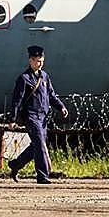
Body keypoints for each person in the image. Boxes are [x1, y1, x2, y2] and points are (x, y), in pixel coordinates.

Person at [7, 45, 68, 184]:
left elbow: (51, 95)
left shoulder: (45, 76)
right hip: (31, 116)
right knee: (40, 144)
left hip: (43, 117)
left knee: (36, 145)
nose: (38, 63)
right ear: (30, 60)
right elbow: (17, 100)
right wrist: (12, 119)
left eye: (40, 60)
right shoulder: (24, 78)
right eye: (35, 60)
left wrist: (61, 107)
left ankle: (16, 164)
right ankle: (42, 175)